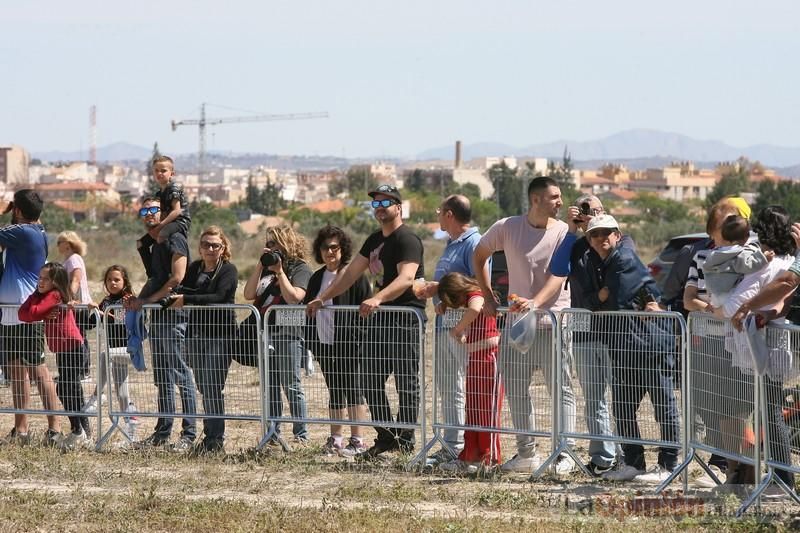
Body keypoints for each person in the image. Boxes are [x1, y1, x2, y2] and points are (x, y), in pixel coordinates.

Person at [306, 184, 425, 459]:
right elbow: (347, 276)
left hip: (405, 318)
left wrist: (378, 298)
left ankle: (405, 439)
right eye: (376, 204)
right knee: (369, 380)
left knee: (406, 383)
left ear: (399, 207)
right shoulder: (374, 241)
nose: (380, 208)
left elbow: (406, 278)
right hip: (381, 321)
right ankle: (386, 437)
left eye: (386, 203)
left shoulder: (407, 239)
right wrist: (322, 298)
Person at [472, 176, 575, 474]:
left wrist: (535, 303)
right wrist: (488, 295)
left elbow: (559, 276)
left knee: (562, 390)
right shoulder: (507, 227)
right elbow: (479, 254)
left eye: (560, 196)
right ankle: (526, 452)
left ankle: (564, 453)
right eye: (554, 196)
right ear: (535, 200)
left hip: (553, 324)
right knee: (516, 389)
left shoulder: (563, 233)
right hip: (517, 327)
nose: (560, 201)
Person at [575, 215, 680, 483]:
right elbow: (589, 300)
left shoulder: (622, 259)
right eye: (595, 234)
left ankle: (668, 465)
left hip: (651, 345)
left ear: (618, 235)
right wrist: (599, 298)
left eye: (607, 233)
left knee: (663, 408)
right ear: (589, 240)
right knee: (622, 408)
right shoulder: (596, 262)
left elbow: (615, 304)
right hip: (624, 347)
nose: (602, 238)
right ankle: (634, 463)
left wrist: (600, 299)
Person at [710, 206, 796, 489]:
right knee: (765, 413)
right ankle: (775, 475)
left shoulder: (773, 262)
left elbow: (779, 288)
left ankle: (782, 478)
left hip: (765, 346)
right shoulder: (785, 259)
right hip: (766, 341)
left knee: (770, 413)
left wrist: (739, 307)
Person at [545, 194, 632, 476]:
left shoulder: (621, 240)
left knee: (621, 398)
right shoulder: (577, 245)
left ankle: (626, 455)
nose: (589, 215)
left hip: (615, 332)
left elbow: (618, 278)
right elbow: (557, 269)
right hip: (584, 332)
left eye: (594, 210)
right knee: (593, 399)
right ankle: (602, 457)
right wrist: (572, 231)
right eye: (584, 210)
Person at [128, 197, 197, 452]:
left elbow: (176, 278)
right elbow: (154, 277)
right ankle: (162, 431)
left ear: (165, 213)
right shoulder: (153, 243)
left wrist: (147, 301)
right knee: (163, 376)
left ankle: (189, 433)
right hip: (158, 313)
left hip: (173, 311)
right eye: (144, 210)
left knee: (180, 372)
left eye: (154, 210)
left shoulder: (175, 237)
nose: (148, 215)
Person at [425, 194, 488, 467]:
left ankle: (459, 445)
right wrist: (438, 297)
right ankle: (451, 444)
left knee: (459, 387)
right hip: (446, 325)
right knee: (448, 387)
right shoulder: (451, 243)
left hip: (464, 329)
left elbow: (478, 284)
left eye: (440, 211)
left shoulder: (474, 242)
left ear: (449, 214)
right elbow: (449, 284)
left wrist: (444, 296)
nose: (438, 215)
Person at [166, 226, 238, 454]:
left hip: (221, 336)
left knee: (213, 387)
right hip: (196, 334)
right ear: (199, 246)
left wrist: (187, 299)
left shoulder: (228, 270)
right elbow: (182, 286)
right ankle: (209, 437)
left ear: (223, 248)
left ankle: (214, 439)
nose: (209, 249)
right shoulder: (195, 267)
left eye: (215, 245)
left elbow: (220, 296)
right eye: (206, 244)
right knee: (203, 386)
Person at [0, 189, 62, 446]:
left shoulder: (24, 232)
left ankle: (55, 429)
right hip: (11, 313)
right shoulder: (32, 230)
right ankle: (21, 429)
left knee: (39, 372)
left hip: (27, 313)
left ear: (18, 211)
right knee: (17, 373)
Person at [303, 225, 371, 457]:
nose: (330, 252)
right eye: (325, 247)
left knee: (353, 389)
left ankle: (358, 439)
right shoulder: (316, 277)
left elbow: (367, 308)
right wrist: (312, 343)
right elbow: (308, 309)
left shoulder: (354, 276)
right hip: (324, 342)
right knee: (335, 389)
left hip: (350, 343)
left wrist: (359, 337)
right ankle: (336, 438)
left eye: (334, 247)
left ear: (343, 249)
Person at [244, 224, 312, 444]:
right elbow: (248, 294)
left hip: (289, 332)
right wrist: (259, 265)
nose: (269, 247)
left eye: (273, 243)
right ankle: (273, 434)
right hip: (265, 332)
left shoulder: (300, 268)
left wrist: (280, 272)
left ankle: (300, 435)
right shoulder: (265, 269)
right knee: (270, 385)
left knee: (291, 384)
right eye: (267, 243)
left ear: (286, 243)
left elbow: (294, 297)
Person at [434, 272, 503, 474]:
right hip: (476, 358)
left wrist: (457, 329)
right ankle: (471, 455)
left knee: (487, 411)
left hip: (490, 358)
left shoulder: (477, 294)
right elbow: (473, 315)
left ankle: (489, 458)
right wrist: (463, 330)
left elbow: (474, 308)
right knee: (472, 409)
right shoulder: (473, 297)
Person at [19, 262, 89, 449]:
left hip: (72, 347)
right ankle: (80, 431)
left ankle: (79, 431)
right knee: (68, 390)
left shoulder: (55, 295)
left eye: (46, 279)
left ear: (56, 281)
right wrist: (37, 299)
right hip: (61, 349)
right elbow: (22, 314)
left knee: (67, 389)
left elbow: (32, 312)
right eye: (39, 278)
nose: (40, 282)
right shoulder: (41, 296)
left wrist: (38, 305)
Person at [86, 265, 139, 438]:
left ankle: (96, 396)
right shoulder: (107, 301)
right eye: (109, 279)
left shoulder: (130, 299)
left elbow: (128, 322)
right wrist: (92, 311)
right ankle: (131, 430)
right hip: (114, 352)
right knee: (122, 393)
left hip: (129, 350)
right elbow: (91, 324)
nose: (112, 283)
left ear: (125, 281)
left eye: (117, 279)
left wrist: (105, 312)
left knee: (104, 355)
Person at [703, 214, 767, 308]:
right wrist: (764, 257)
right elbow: (748, 265)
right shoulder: (740, 253)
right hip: (729, 295)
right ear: (747, 237)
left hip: (714, 296)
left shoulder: (715, 253)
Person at [56, 231, 93, 381]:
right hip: (75, 305)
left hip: (78, 305)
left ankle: (83, 371)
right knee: (78, 337)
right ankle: (77, 371)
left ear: (68, 243)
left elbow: (76, 280)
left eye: (60, 242)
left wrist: (68, 299)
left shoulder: (73, 259)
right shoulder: (69, 259)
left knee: (79, 337)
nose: (58, 245)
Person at [151, 155, 191, 244]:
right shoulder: (158, 193)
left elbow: (177, 211)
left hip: (180, 222)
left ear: (172, 174)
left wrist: (160, 226)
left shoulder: (174, 188)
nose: (159, 173)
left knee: (161, 235)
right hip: (168, 222)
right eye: (156, 171)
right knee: (142, 243)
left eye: (163, 171)